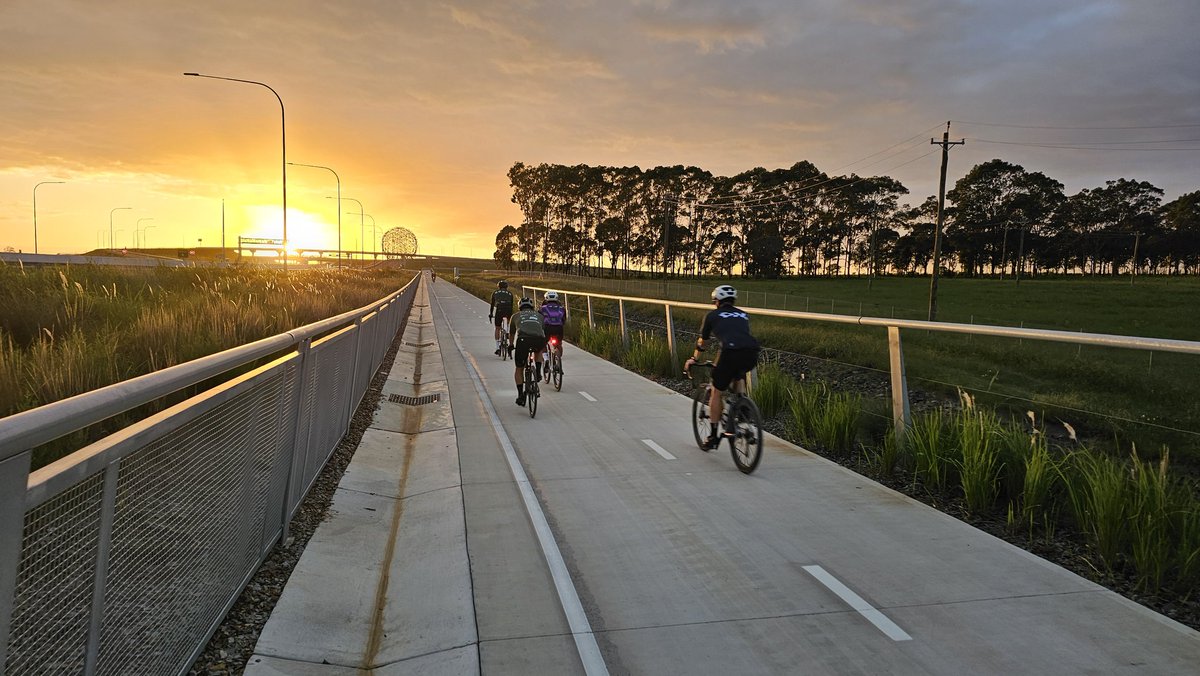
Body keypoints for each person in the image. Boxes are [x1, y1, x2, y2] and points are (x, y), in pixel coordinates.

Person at [684, 284, 760, 449]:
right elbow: (737, 337)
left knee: (717, 390)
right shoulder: (743, 315)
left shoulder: (712, 316)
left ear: (716, 301)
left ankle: (712, 436)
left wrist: (693, 358)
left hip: (730, 351)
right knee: (738, 373)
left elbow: (703, 342)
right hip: (751, 351)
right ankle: (742, 406)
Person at [510, 297, 546, 406]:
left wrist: (511, 345)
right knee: (538, 350)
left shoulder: (515, 316)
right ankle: (538, 372)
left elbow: (512, 334)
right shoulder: (539, 316)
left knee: (519, 368)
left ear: (520, 306)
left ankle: (521, 395)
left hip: (523, 340)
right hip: (539, 339)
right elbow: (542, 330)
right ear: (532, 307)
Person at [538, 291, 566, 373]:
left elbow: (539, 319)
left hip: (547, 328)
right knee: (558, 344)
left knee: (543, 344)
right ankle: (558, 361)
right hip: (559, 328)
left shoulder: (542, 308)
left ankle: (546, 359)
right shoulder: (562, 308)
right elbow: (564, 320)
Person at [488, 280, 515, 355]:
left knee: (497, 328)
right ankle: (508, 332)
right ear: (506, 287)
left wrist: (491, 314)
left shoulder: (495, 293)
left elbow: (492, 304)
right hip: (508, 309)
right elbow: (512, 305)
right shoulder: (510, 293)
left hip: (499, 309)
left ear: (499, 287)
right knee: (509, 321)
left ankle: (497, 347)